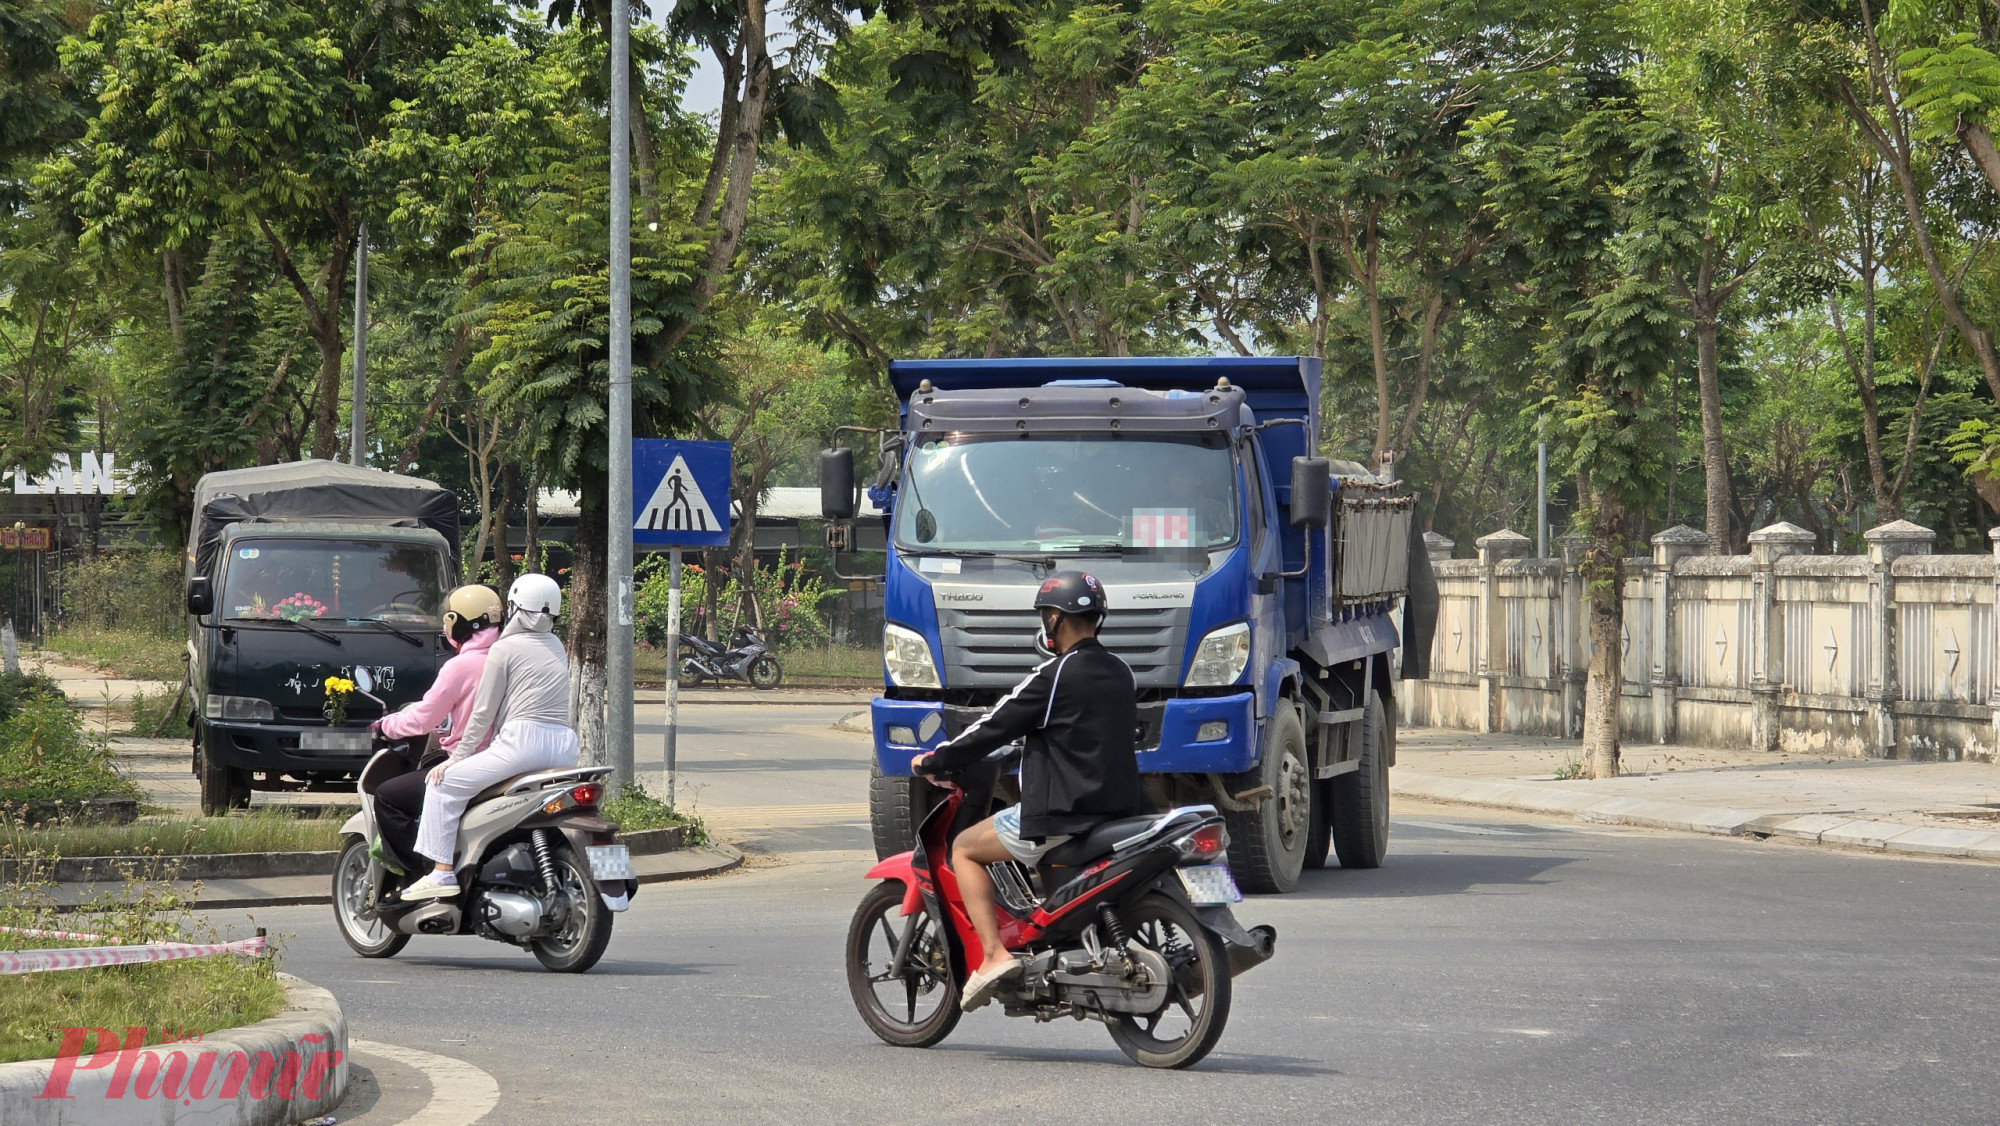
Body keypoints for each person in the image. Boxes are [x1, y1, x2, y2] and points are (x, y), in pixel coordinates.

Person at [909, 570, 1146, 1011]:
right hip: (1119, 811)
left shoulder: (1055, 675)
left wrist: (936, 760)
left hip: (1062, 813)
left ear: (1055, 618)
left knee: (963, 848)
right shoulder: (1122, 672)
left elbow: (992, 727)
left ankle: (995, 955)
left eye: (1045, 615)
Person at [401, 573, 578, 900]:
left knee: (443, 784)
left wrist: (456, 758)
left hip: (522, 743)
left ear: (515, 607)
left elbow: (483, 713)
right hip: (565, 746)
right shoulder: (556, 645)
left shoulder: (504, 648)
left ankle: (441, 873)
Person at [368, 584, 505, 870]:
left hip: (468, 762)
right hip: (513, 760)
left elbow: (423, 719)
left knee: (388, 797)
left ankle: (423, 872)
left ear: (456, 622)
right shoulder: (509, 658)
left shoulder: (460, 666)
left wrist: (384, 726)